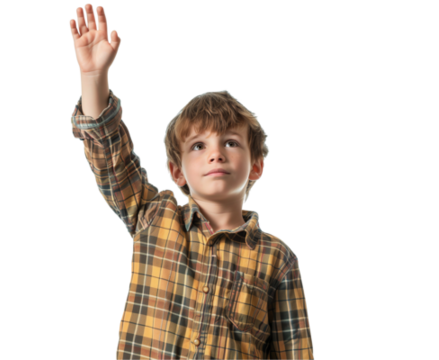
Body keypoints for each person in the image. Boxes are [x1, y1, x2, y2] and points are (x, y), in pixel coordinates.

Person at [67, 4, 313, 359]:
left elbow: (296, 352)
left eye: (231, 142)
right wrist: (93, 76)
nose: (216, 154)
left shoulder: (278, 259)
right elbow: (110, 158)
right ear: (177, 171)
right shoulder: (152, 215)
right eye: (199, 146)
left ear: (257, 166)